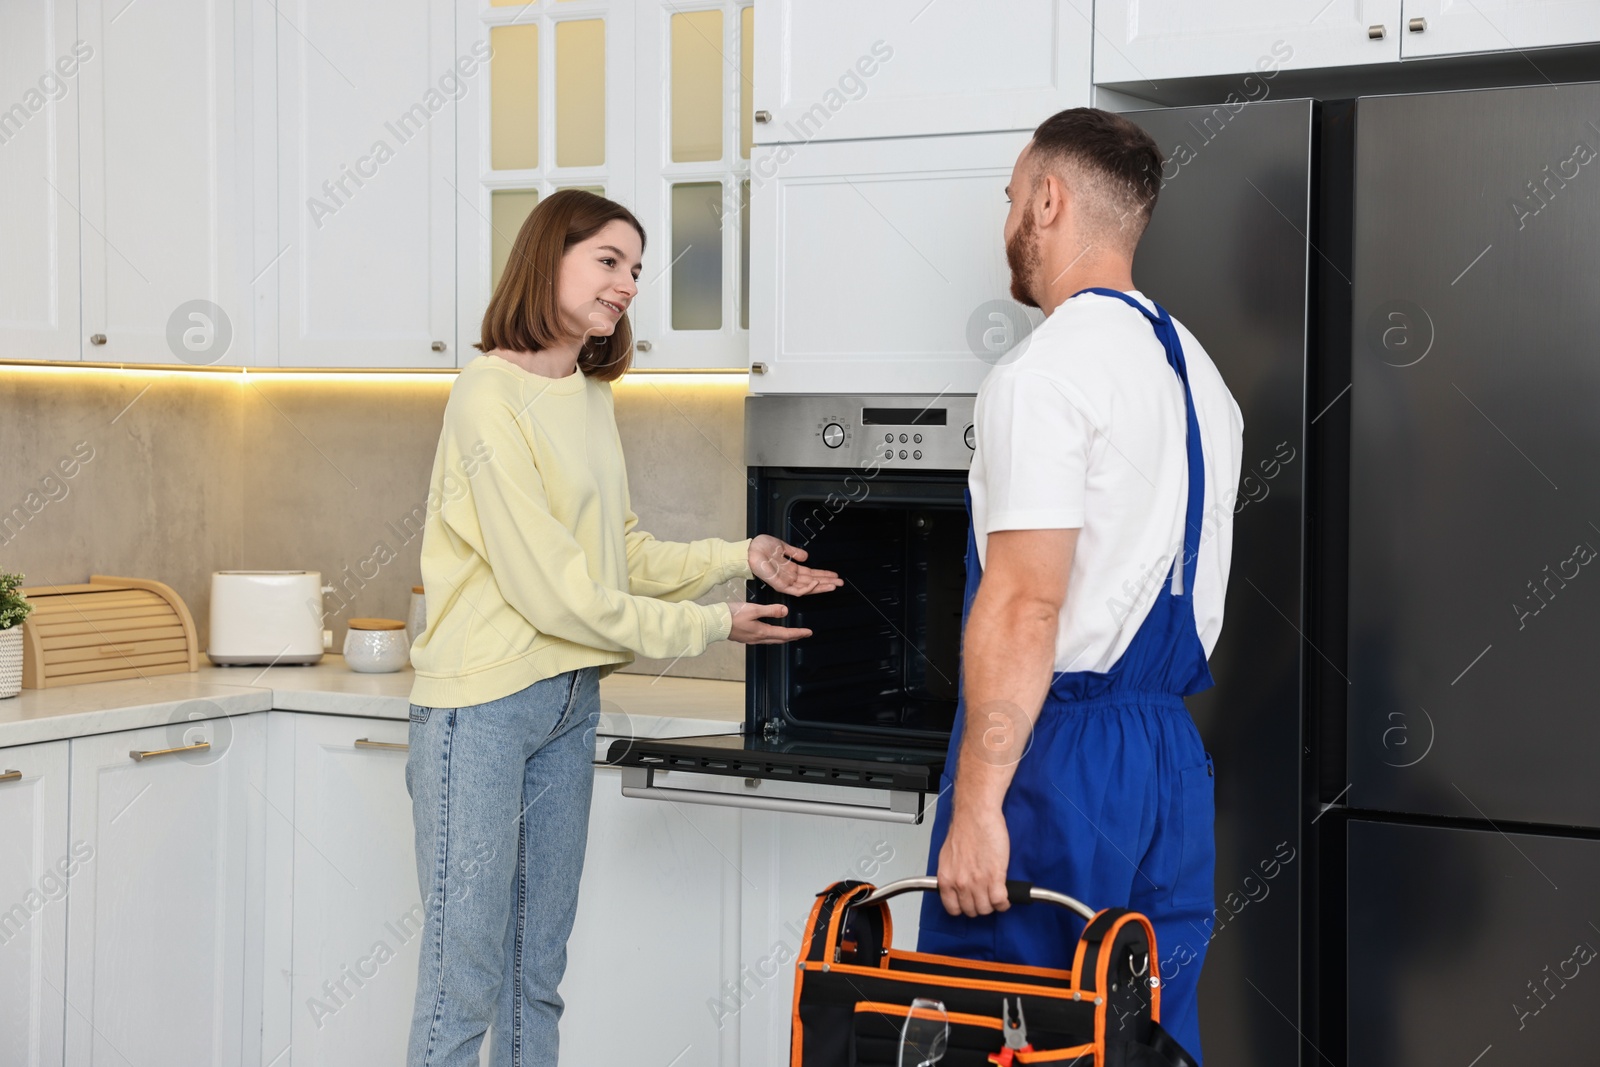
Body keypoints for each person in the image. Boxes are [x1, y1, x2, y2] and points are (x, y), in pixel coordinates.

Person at [404, 189, 840, 1067]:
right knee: (466, 981)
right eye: (609, 260)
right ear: (547, 258)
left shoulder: (586, 393)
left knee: (537, 975)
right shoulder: (486, 399)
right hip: (483, 709)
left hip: (568, 703)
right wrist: (712, 624)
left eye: (636, 269)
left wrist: (738, 554)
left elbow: (618, 553)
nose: (628, 283)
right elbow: (555, 593)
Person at [918, 108, 1244, 1062]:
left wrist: (978, 808)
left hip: (1055, 759)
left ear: (1048, 201)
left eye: (1014, 197)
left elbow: (1027, 602)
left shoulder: (1044, 373)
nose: (1009, 219)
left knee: (1011, 1034)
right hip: (1168, 763)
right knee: (1138, 1041)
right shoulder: (1201, 379)